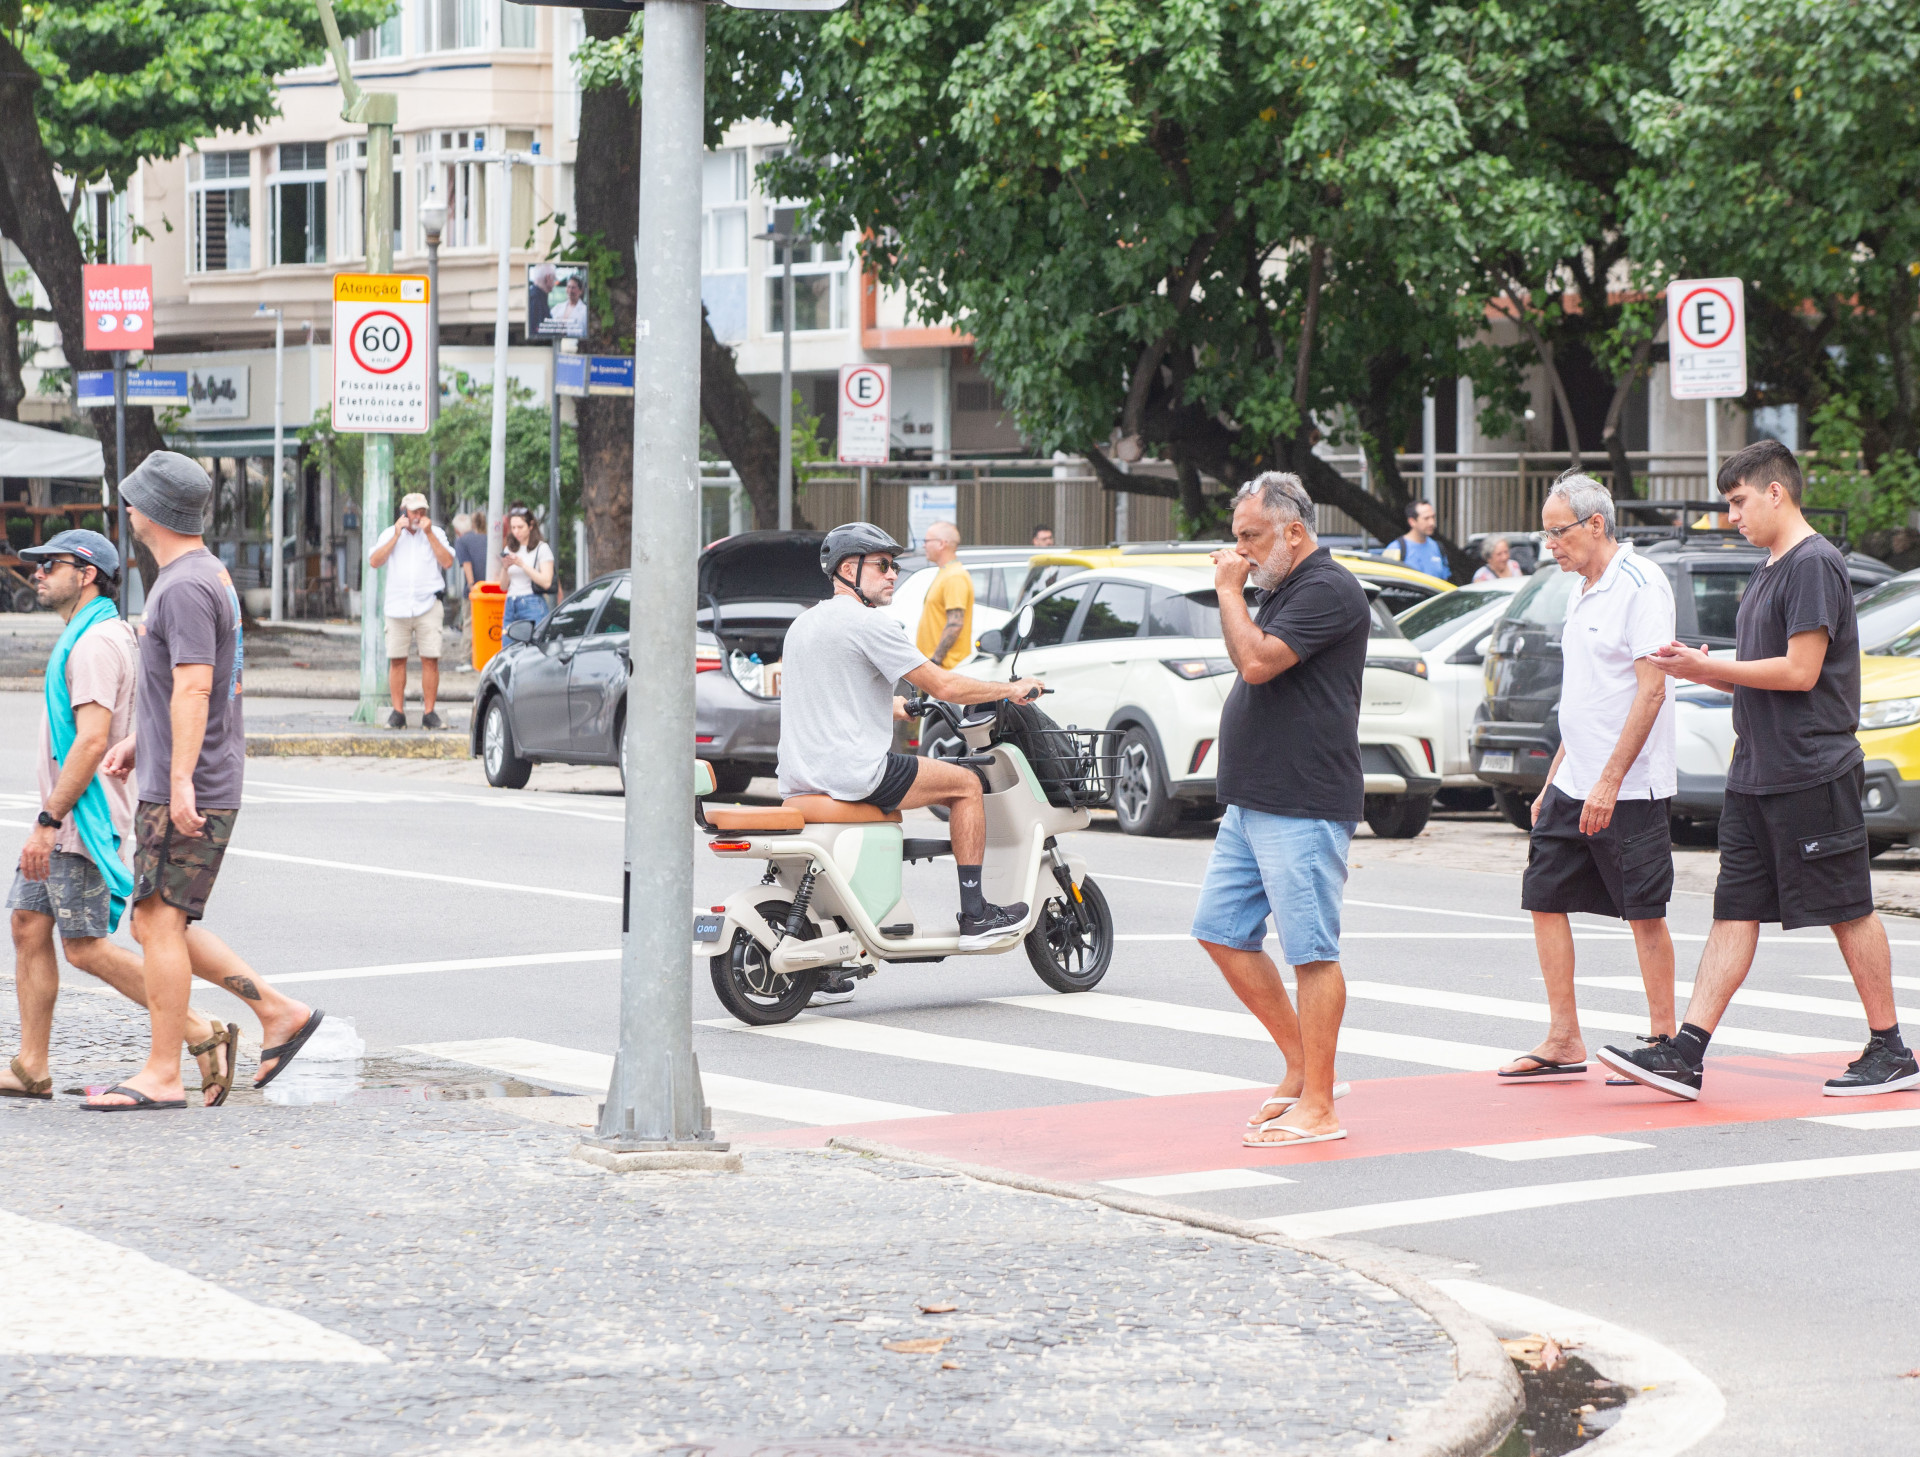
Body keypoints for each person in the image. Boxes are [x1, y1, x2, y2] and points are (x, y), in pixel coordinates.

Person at [1604, 440, 1918, 1099]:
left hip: (1811, 769)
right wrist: (1705, 668)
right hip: (1754, 773)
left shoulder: (1813, 564)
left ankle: (1890, 1047)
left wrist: (1709, 668)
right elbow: (1766, 676)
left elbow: (1802, 672)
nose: (1731, 516)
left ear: (1777, 492)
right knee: (1734, 909)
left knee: (1846, 906)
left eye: (1738, 500)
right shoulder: (1771, 568)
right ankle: (1687, 1050)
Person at [83, 452, 325, 1110]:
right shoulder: (201, 574)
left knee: (157, 924)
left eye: (132, 498)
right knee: (164, 919)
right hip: (185, 771)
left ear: (153, 510)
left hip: (192, 782)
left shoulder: (185, 585)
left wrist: (180, 778)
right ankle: (279, 1012)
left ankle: (163, 1072)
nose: (126, 508)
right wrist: (143, 740)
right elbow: (189, 683)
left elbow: (195, 684)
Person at [0, 530, 239, 1108]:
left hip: (79, 816)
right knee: (28, 927)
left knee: (85, 946)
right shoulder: (93, 635)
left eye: (50, 565)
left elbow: (90, 742)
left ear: (85, 574)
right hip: (66, 814)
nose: (37, 573)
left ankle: (198, 1030)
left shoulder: (97, 644)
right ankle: (32, 1065)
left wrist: (47, 820)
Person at [1191, 472, 1370, 1149]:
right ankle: (1301, 1068)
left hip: (1303, 797)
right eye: (1235, 538)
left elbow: (1260, 663)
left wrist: (1229, 591)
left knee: (1311, 951)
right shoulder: (1285, 587)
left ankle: (1320, 1104)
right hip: (1257, 797)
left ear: (1294, 531)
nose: (1236, 551)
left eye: (1249, 537)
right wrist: (1242, 588)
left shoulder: (1326, 586)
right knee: (1219, 929)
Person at [778, 523, 1044, 946]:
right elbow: (946, 687)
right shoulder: (868, 623)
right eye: (882, 564)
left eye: (895, 566)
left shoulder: (803, 625)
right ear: (850, 568)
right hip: (854, 774)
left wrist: (892, 706)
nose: (892, 574)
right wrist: (1011, 689)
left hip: (799, 777)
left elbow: (829, 695)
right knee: (967, 785)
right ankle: (975, 915)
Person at [1500, 475, 1677, 1082]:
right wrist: (1556, 778)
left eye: (1557, 531)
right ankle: (1563, 1037)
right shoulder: (1581, 587)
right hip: (1573, 777)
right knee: (1543, 897)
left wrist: (1607, 783)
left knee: (1643, 911)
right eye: (1546, 532)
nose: (1549, 544)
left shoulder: (1640, 584)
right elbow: (1585, 699)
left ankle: (1663, 1039)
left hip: (1629, 786)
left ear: (1595, 524)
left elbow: (1651, 692)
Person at [368, 491, 454, 730]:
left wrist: (428, 533)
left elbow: (447, 561)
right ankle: (397, 712)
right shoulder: (390, 533)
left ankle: (429, 712)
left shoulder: (436, 533)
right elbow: (375, 561)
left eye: (423, 511)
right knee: (397, 660)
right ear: (404, 512)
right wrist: (396, 535)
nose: (419, 516)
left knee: (430, 659)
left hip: (428, 603)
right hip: (398, 605)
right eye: (415, 511)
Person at [915, 522, 974, 668]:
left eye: (927, 541)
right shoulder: (946, 573)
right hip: (936, 670)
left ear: (941, 544)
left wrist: (935, 660)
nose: (924, 545)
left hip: (946, 670)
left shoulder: (955, 576)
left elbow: (955, 624)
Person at [498, 505, 554, 629]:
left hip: (532, 602)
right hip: (511, 602)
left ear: (531, 526)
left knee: (532, 645)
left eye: (520, 527)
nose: (516, 531)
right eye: (513, 528)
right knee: (508, 645)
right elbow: (503, 586)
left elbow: (546, 582)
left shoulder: (541, 548)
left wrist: (522, 565)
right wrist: (505, 567)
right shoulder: (509, 548)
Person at [1382, 499, 1448, 580]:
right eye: (1426, 518)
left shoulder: (1438, 547)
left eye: (1433, 517)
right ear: (1412, 521)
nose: (1432, 523)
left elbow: (1445, 579)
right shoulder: (1396, 548)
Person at [453, 509, 488, 665]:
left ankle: (465, 658)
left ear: (456, 530)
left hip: (474, 590)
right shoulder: (486, 538)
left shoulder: (461, 541)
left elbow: (466, 563)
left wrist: (471, 584)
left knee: (469, 623)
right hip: (489, 588)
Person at [527, 262, 556, 338]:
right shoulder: (536, 299)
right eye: (554, 279)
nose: (555, 283)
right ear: (548, 278)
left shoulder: (536, 296)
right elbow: (538, 332)